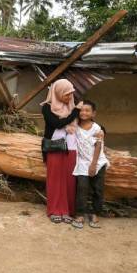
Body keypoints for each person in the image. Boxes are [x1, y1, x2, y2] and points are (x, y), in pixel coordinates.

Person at [41, 79, 82, 224]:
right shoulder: (47, 107)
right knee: (55, 179)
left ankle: (67, 211)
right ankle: (55, 210)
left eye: (71, 94)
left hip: (71, 148)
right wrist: (75, 112)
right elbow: (57, 123)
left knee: (70, 181)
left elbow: (85, 122)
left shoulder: (71, 107)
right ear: (58, 92)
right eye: (66, 94)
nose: (69, 97)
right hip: (54, 147)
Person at [71, 100, 109, 229]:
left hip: (97, 162)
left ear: (93, 113)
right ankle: (80, 214)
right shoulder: (75, 126)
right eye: (81, 110)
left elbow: (99, 146)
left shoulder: (97, 128)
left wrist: (93, 164)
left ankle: (94, 214)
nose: (83, 113)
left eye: (87, 110)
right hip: (82, 163)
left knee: (98, 189)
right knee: (82, 188)